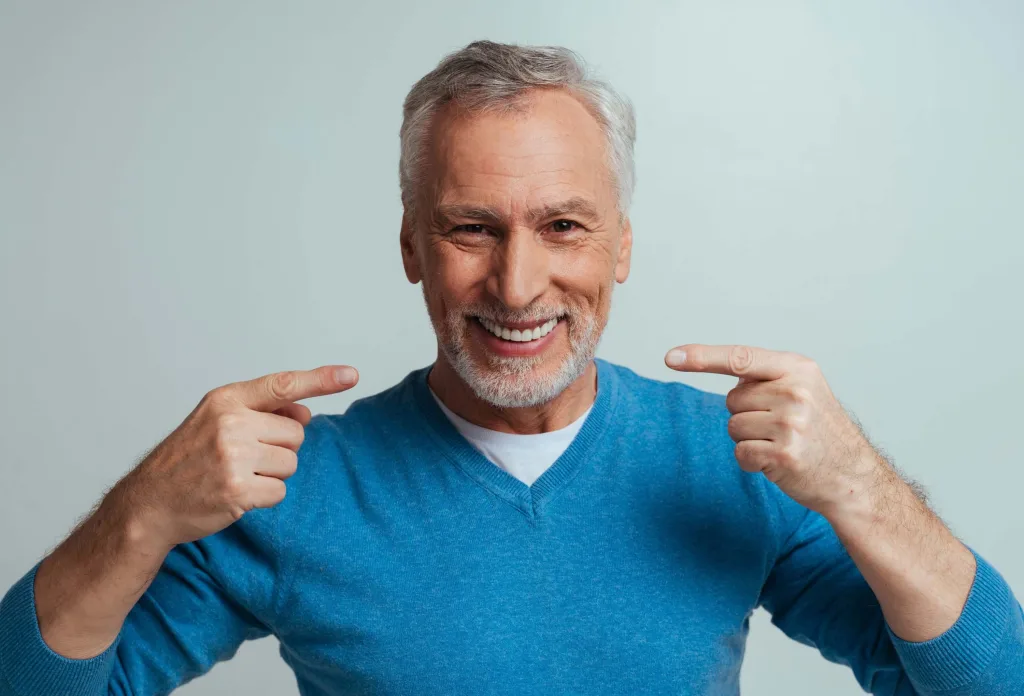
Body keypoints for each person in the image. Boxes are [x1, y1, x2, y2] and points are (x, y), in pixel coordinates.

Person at [0, 39, 1020, 696]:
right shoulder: (291, 487)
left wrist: (863, 492)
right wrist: (140, 512)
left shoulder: (727, 462)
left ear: (620, 246)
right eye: (471, 229)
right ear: (411, 247)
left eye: (562, 226)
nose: (518, 283)